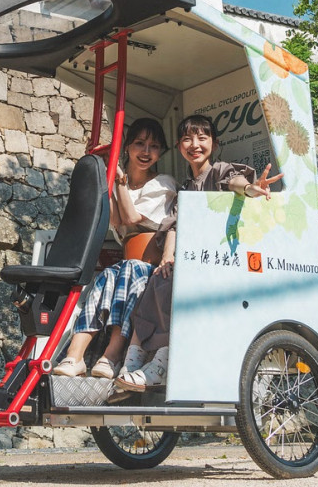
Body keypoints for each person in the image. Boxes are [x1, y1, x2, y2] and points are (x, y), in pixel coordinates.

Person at [115, 113, 279, 391]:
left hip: (224, 262)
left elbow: (235, 182)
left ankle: (162, 363)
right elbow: (174, 226)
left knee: (171, 286)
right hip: (193, 260)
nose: (195, 144)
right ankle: (133, 358)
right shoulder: (186, 188)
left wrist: (251, 188)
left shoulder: (218, 171)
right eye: (188, 139)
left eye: (202, 138)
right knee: (156, 280)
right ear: (179, 146)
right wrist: (167, 257)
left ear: (213, 144)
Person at [52, 118, 177, 378]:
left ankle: (112, 355)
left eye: (153, 146)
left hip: (151, 268)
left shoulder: (163, 183)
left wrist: (119, 180)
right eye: (139, 144)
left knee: (130, 273)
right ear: (128, 147)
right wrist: (108, 173)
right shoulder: (120, 185)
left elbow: (131, 218)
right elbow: (117, 221)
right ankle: (74, 356)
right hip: (130, 264)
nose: (145, 152)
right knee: (105, 278)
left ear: (161, 152)